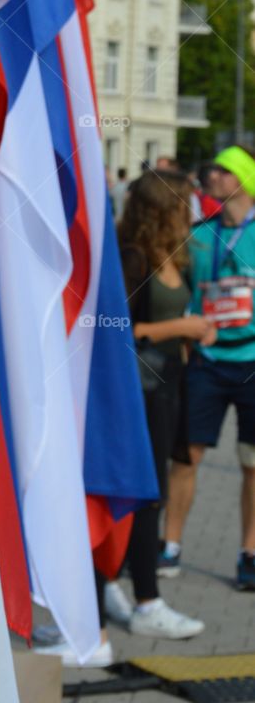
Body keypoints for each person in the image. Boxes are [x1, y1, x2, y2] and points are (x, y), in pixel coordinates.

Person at [114, 170, 208, 637]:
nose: (192, 211)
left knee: (162, 485)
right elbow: (119, 331)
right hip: (144, 390)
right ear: (162, 209)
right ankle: (146, 601)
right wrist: (181, 330)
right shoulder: (133, 257)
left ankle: (112, 582)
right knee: (145, 494)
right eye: (184, 203)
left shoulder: (178, 255)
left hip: (172, 383)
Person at [163, 145, 255, 591]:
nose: (211, 175)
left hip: (252, 361)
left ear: (241, 178)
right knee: (186, 455)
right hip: (207, 360)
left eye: (221, 169)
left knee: (252, 462)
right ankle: (170, 545)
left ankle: (249, 552)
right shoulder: (199, 234)